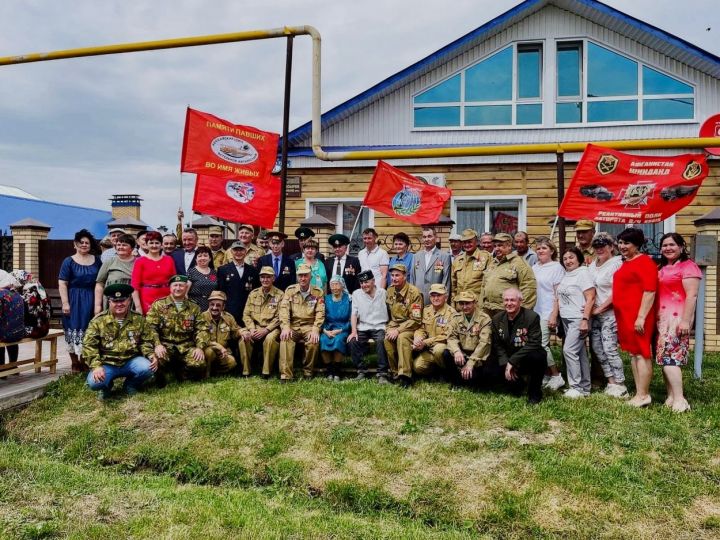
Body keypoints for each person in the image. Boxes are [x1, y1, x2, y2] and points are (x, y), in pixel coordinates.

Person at [84, 284, 156, 399]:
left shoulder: (138, 319)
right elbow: (89, 346)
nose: (119, 304)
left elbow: (145, 341)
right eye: (115, 301)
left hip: (130, 361)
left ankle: (130, 385)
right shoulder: (98, 321)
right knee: (94, 383)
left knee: (148, 367)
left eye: (122, 300)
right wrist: (96, 366)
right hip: (107, 364)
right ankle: (106, 387)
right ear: (109, 302)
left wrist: (150, 354)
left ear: (129, 300)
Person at [612, 227, 658, 408]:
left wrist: (641, 317)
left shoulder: (645, 262)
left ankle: (644, 394)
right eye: (620, 242)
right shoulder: (626, 262)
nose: (622, 246)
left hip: (639, 315)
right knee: (633, 353)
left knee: (642, 353)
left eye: (627, 243)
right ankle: (639, 393)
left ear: (637, 244)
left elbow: (650, 291)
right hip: (625, 316)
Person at [656, 233, 701, 412]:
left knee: (671, 359)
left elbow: (692, 296)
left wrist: (685, 321)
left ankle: (680, 400)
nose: (668, 248)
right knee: (664, 359)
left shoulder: (689, 267)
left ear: (681, 247)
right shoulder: (662, 267)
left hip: (677, 320)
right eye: (664, 245)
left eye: (672, 244)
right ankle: (671, 396)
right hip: (662, 320)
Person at [145, 275, 210, 383]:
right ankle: (163, 376)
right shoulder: (158, 305)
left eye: (181, 286)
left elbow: (202, 328)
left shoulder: (194, 307)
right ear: (170, 288)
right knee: (157, 359)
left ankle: (183, 373)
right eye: (175, 285)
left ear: (186, 288)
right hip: (165, 346)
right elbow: (150, 327)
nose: (178, 288)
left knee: (199, 363)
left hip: (186, 346)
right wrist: (157, 345)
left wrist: (199, 347)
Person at [549, 247, 596, 398]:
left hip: (578, 319)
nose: (568, 261)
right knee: (580, 353)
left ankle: (575, 387)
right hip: (566, 319)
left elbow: (591, 297)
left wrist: (585, 319)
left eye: (571, 257)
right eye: (565, 259)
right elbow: (559, 297)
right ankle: (584, 388)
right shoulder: (567, 274)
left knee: (569, 350)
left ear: (579, 258)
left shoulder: (583, 273)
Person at [587, 233, 627, 398]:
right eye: (596, 246)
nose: (599, 249)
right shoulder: (592, 265)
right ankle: (611, 381)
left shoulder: (617, 264)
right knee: (597, 348)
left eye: (603, 245)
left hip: (610, 313)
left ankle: (621, 384)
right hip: (594, 314)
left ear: (611, 247)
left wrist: (601, 308)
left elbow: (618, 291)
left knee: (610, 349)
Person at [491, 288, 547, 404]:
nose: (509, 303)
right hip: (507, 357)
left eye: (512, 300)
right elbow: (497, 344)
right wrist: (505, 363)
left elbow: (534, 343)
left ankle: (534, 394)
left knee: (539, 356)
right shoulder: (497, 319)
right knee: (489, 368)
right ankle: (516, 383)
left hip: (525, 356)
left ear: (520, 301)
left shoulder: (531, 317)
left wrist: (512, 361)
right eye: (506, 300)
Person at [58, 228, 102, 373]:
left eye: (87, 243)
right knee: (72, 330)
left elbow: (100, 282)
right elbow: (62, 283)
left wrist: (98, 304)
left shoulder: (97, 261)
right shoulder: (68, 261)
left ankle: (84, 361)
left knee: (88, 330)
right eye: (81, 242)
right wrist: (65, 303)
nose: (84, 245)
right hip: (73, 299)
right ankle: (74, 362)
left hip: (91, 298)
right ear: (75, 244)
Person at [279, 264, 326, 381]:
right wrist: (286, 327)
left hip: (309, 326)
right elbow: (284, 310)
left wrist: (316, 329)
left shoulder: (318, 292)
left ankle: (308, 372)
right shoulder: (290, 291)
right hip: (293, 325)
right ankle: (286, 375)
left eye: (305, 275)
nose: (303, 278)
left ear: (310, 277)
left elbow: (320, 312)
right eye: (300, 276)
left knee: (313, 341)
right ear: (297, 277)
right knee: (285, 338)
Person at [531, 237, 566, 391]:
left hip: (548, 311)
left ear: (552, 251)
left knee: (541, 344)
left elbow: (559, 294)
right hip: (535, 311)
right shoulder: (535, 267)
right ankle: (546, 373)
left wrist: (554, 314)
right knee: (538, 344)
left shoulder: (557, 267)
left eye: (544, 248)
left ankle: (556, 375)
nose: (540, 251)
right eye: (538, 248)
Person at [384, 263, 423, 388]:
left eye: (397, 275)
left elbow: (416, 319)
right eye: (392, 275)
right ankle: (395, 373)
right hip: (395, 324)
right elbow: (390, 315)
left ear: (405, 276)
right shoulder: (390, 290)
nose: (394, 278)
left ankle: (406, 376)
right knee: (387, 339)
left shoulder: (414, 293)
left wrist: (398, 330)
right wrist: (390, 329)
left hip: (411, 325)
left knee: (402, 338)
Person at [444, 291, 493, 389]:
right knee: (446, 353)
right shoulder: (456, 318)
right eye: (461, 303)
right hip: (463, 355)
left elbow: (484, 343)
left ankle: (469, 378)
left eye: (467, 303)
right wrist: (457, 351)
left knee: (479, 381)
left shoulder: (484, 319)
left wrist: (470, 363)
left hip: (478, 357)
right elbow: (451, 337)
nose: (464, 307)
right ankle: (456, 381)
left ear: (475, 303)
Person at [347, 270, 390, 383]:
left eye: (366, 282)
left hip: (380, 326)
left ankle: (382, 373)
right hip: (363, 326)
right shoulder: (356, 294)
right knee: (353, 341)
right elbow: (354, 314)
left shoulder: (383, 293)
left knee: (381, 341)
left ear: (373, 281)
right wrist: (353, 331)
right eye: (361, 283)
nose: (364, 285)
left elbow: (390, 310)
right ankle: (361, 370)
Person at [242, 266, 284, 378]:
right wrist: (251, 329)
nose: (265, 280)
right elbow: (246, 314)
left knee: (270, 339)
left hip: (272, 328)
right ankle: (246, 371)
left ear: (273, 278)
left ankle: (266, 371)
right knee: (244, 337)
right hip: (255, 327)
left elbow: (280, 317)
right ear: (260, 279)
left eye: (268, 277)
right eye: (263, 277)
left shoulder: (280, 295)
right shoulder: (253, 294)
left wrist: (266, 330)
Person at [483, 233, 537, 318]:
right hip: (488, 311)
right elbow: (483, 287)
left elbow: (529, 289)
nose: (497, 248)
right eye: (495, 246)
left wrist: (520, 313)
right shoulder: (492, 263)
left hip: (508, 312)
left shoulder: (519, 263)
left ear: (509, 246)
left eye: (500, 245)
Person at [412, 284, 456, 378]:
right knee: (418, 367)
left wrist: (425, 342)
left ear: (445, 297)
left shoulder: (451, 313)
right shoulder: (426, 310)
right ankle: (436, 372)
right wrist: (418, 338)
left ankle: (446, 372)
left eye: (439, 295)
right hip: (429, 349)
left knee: (438, 350)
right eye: (433, 295)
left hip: (444, 347)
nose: (435, 298)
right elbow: (421, 328)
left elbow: (446, 336)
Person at [131, 231, 176, 315]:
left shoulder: (169, 260)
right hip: (147, 299)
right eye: (151, 243)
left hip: (166, 298)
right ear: (147, 244)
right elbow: (135, 286)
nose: (154, 245)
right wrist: (138, 307)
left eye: (157, 243)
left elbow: (174, 281)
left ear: (161, 245)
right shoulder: (140, 261)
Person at [217, 241, 259, 325]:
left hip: (248, 311)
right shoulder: (223, 270)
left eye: (241, 250)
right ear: (231, 252)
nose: (238, 252)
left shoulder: (253, 270)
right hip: (229, 310)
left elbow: (255, 291)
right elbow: (221, 292)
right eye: (236, 250)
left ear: (245, 252)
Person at [94, 233, 138, 314]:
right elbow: (99, 284)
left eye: (124, 245)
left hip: (132, 302)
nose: (120, 247)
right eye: (118, 245)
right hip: (112, 301)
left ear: (132, 248)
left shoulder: (138, 262)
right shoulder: (109, 262)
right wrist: (97, 306)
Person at [200, 290, 240, 377]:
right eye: (212, 304)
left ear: (223, 306)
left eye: (218, 305)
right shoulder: (202, 317)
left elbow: (235, 332)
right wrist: (219, 347)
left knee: (232, 363)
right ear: (209, 305)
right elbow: (202, 339)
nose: (214, 308)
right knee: (209, 353)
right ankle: (206, 374)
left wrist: (243, 332)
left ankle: (215, 372)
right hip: (208, 350)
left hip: (223, 352)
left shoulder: (228, 317)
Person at [320, 275, 352, 381]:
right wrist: (325, 330)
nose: (334, 288)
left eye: (337, 285)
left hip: (343, 329)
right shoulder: (326, 299)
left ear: (342, 286)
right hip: (328, 328)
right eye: (332, 285)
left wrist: (341, 330)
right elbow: (320, 316)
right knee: (323, 340)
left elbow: (352, 319)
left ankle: (337, 371)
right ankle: (329, 370)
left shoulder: (349, 299)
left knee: (338, 340)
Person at [451, 229, 490, 304]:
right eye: (464, 242)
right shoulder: (458, 260)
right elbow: (453, 286)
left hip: (477, 304)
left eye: (469, 242)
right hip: (460, 304)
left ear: (477, 242)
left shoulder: (486, 257)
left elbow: (489, 283)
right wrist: (453, 304)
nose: (467, 245)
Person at [414, 227, 452, 304]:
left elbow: (446, 281)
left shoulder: (444, 256)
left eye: (429, 236)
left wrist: (444, 300)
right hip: (418, 299)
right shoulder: (416, 256)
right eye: (424, 237)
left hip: (436, 299)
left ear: (435, 237)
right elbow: (413, 278)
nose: (426, 239)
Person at [187, 245, 218, 312]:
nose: (202, 258)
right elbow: (185, 293)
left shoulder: (214, 272)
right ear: (196, 259)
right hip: (194, 306)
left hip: (211, 307)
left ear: (210, 258)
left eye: (205, 256)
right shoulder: (191, 272)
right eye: (200, 256)